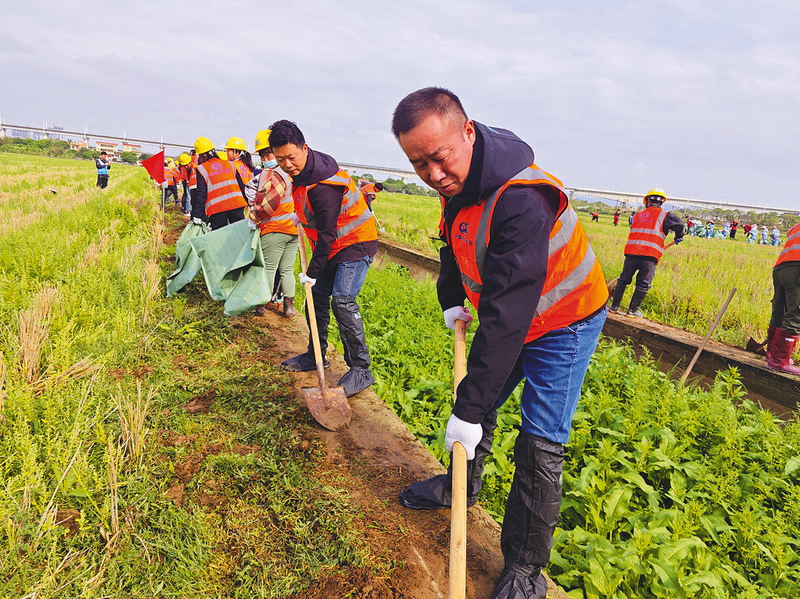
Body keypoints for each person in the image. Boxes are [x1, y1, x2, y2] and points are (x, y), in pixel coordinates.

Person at [392, 87, 608, 598]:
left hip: (564, 320)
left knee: (540, 437)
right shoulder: (459, 181)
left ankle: (526, 568)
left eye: (439, 158)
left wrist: (468, 408)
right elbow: (452, 243)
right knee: (479, 399)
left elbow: (509, 316)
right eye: (419, 164)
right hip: (511, 312)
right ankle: (460, 488)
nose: (433, 175)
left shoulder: (523, 198)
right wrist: (451, 296)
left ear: (467, 132)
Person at [271, 120, 378, 397]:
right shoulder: (306, 171)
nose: (287, 164)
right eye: (280, 159)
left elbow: (327, 235)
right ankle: (315, 354)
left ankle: (361, 369)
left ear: (304, 148)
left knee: (342, 300)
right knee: (316, 296)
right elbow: (317, 217)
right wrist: (302, 215)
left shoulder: (323, 185)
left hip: (355, 244)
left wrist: (312, 273)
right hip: (334, 245)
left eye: (291, 157)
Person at [244, 128, 300, 318]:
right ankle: (289, 308)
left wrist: (254, 217)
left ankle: (261, 305)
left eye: (268, 154)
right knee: (287, 269)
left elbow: (267, 205)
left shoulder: (276, 174)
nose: (265, 158)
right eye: (262, 155)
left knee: (268, 268)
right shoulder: (292, 171)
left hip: (275, 229)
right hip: (293, 229)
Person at [609, 189, 685, 318]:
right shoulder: (665, 215)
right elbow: (681, 225)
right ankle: (632, 311)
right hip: (649, 255)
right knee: (643, 283)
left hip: (632, 253)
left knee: (623, 279)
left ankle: (614, 307)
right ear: (662, 202)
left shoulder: (637, 216)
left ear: (648, 200)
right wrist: (679, 236)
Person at [766, 221, 800, 374]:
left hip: (782, 266)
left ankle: (771, 354)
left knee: (780, 309)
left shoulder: (796, 226)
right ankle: (779, 361)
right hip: (797, 267)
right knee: (796, 313)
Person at [191, 136, 247, 230]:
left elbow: (201, 194)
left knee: (220, 236)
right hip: (236, 205)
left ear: (200, 155)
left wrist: (197, 214)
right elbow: (242, 186)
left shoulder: (202, 169)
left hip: (217, 209)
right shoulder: (230, 164)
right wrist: (251, 204)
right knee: (240, 233)